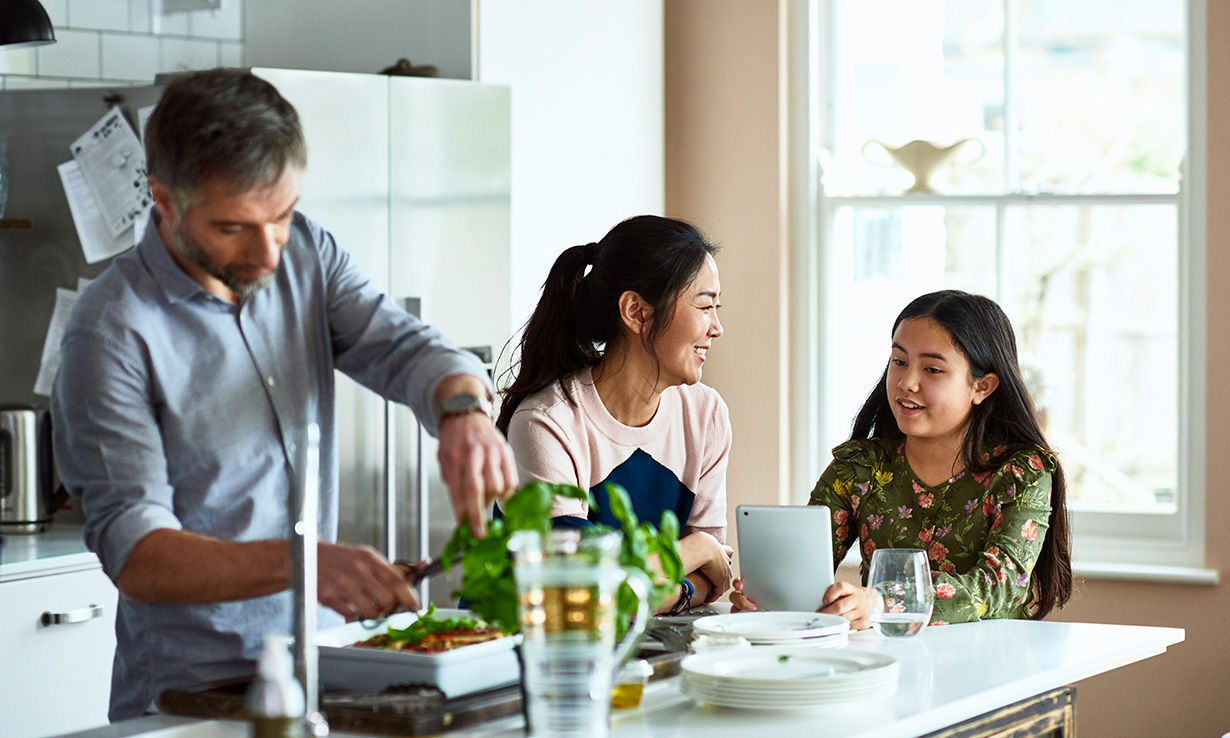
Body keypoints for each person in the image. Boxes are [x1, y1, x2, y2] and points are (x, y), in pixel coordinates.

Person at [49, 68, 518, 721]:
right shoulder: (111, 330)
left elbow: (405, 347)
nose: (269, 251)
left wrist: (463, 407)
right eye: (234, 227)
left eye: (283, 215)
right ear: (164, 199)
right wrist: (307, 565)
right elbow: (140, 553)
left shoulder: (307, 253)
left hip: (328, 664)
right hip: (194, 696)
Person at [734, 289, 1072, 628]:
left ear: (981, 387)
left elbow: (998, 588)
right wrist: (768, 601)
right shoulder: (859, 467)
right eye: (899, 362)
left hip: (990, 668)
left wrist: (884, 603)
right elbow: (804, 571)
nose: (906, 382)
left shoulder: (1022, 472)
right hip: (882, 663)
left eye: (933, 369)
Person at [497, 215, 734, 613]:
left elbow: (713, 577)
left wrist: (688, 571)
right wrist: (695, 549)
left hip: (643, 648)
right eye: (705, 306)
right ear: (637, 312)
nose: (717, 327)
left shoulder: (705, 414)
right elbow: (583, 593)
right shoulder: (547, 423)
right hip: (537, 655)